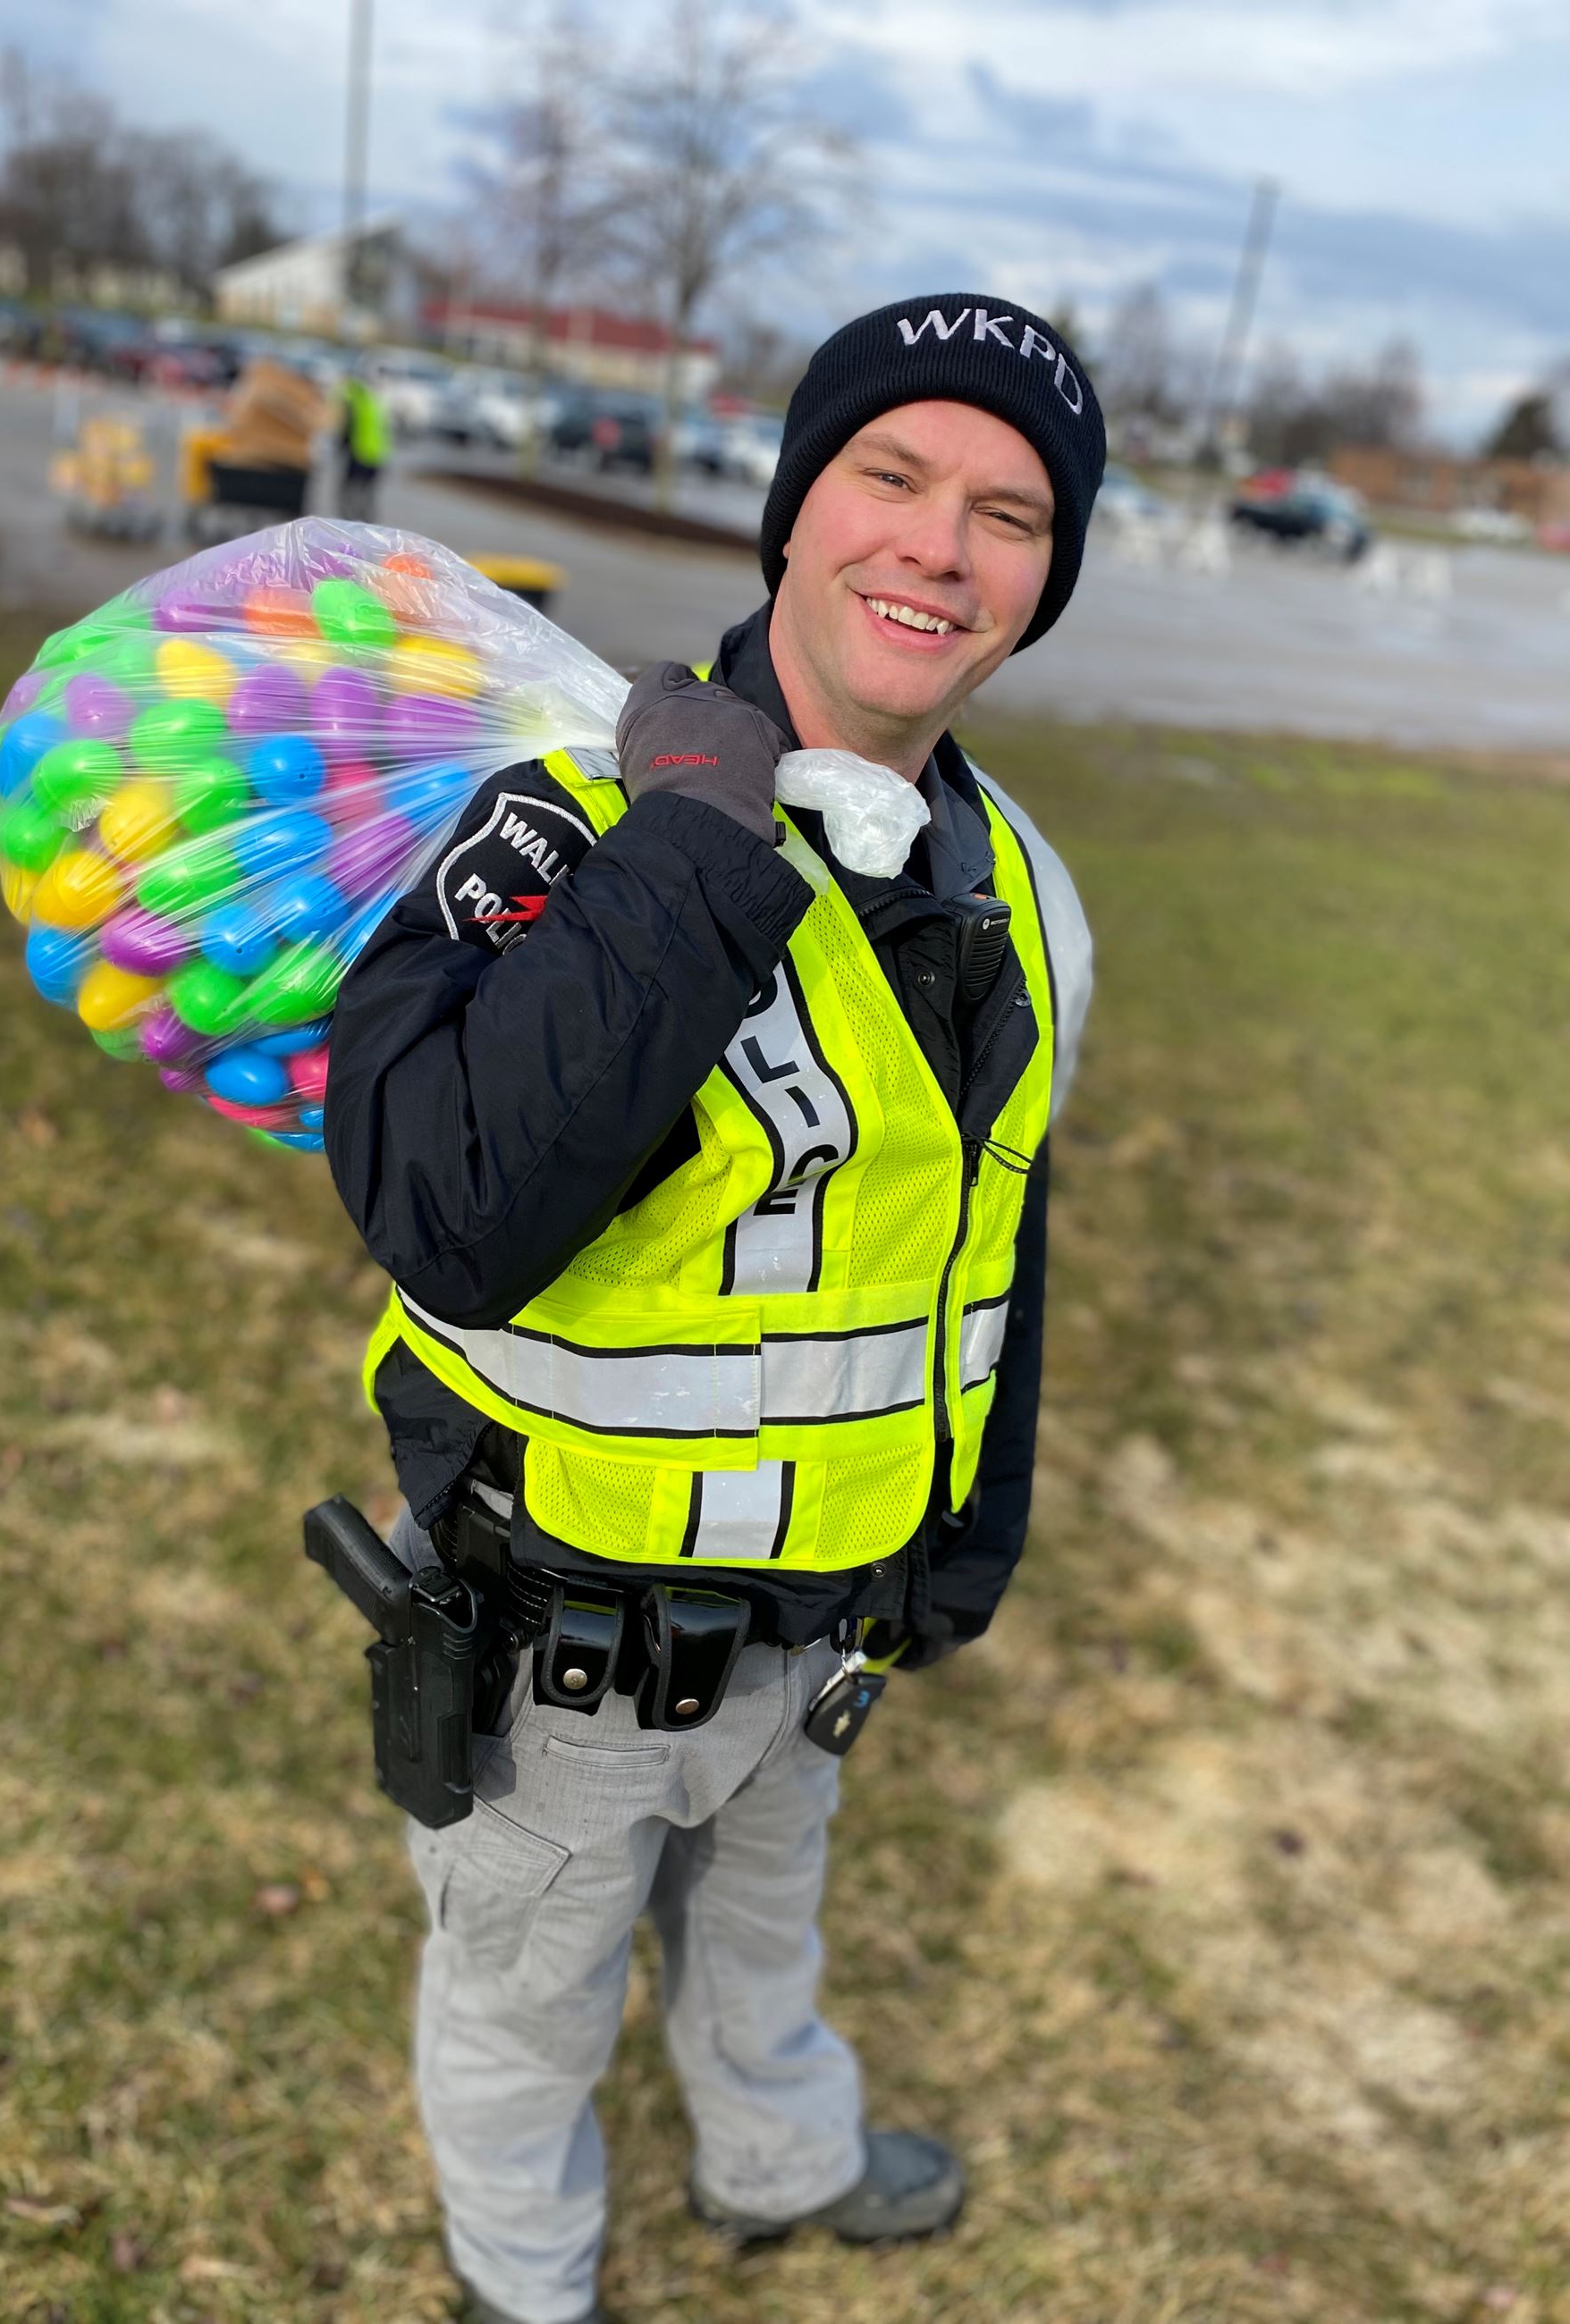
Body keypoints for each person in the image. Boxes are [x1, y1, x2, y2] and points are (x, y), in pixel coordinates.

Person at [323, 292, 1104, 2324]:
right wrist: (684, 843)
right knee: (524, 2004)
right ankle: (524, 2281)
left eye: (1010, 514)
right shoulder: (564, 810)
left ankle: (781, 2158)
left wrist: (959, 1546)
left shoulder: (1021, 884)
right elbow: (445, 1205)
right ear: (792, 510)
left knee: (764, 1942)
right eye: (890, 475)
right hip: (556, 1660)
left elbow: (986, 1249)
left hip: (820, 1627)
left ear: (1046, 579)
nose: (939, 547)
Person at [336, 365, 392, 521]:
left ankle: (362, 516)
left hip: (372, 452)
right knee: (354, 489)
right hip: (362, 450)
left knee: (364, 491)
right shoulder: (361, 396)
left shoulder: (379, 398)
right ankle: (351, 516)